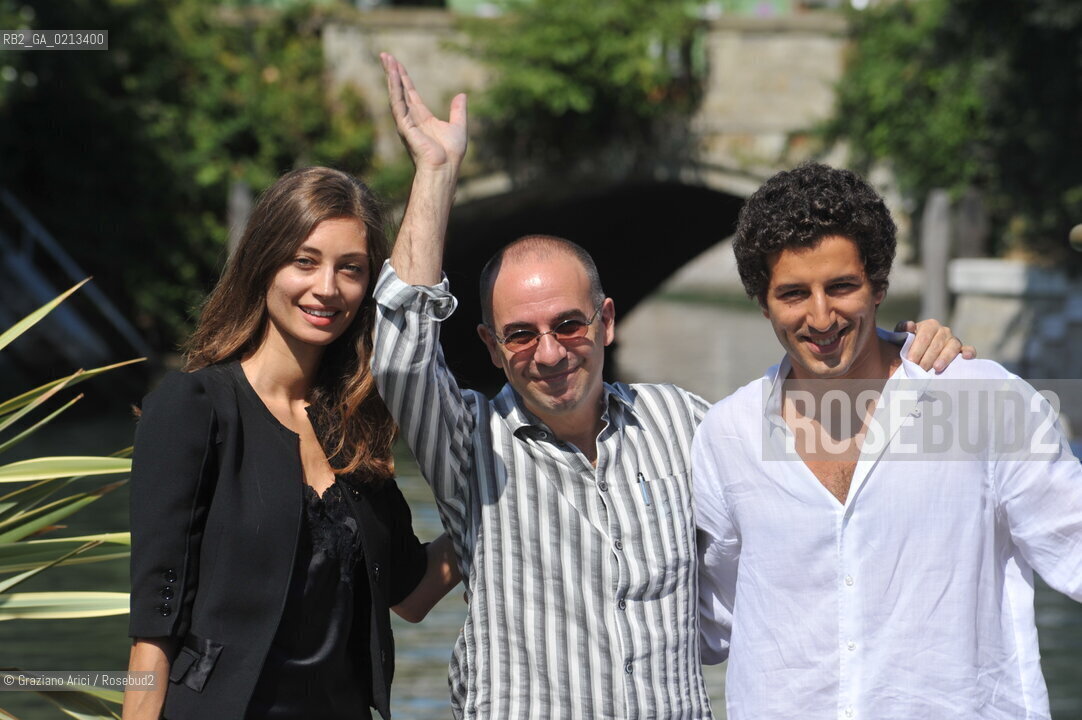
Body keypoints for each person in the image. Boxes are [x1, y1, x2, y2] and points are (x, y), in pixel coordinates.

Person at [371, 56, 971, 719]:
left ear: (605, 322)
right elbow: (401, 357)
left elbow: (826, 440)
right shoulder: (468, 448)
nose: (548, 352)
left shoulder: (686, 422)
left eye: (569, 324)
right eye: (520, 334)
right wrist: (434, 172)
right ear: (491, 347)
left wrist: (909, 356)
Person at [694, 162, 1082, 719]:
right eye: (794, 294)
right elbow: (711, 620)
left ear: (879, 285)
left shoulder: (981, 401)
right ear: (763, 302)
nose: (821, 316)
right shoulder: (726, 435)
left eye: (842, 287)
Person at [123, 166, 459, 720]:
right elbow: (154, 632)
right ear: (263, 263)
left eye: (350, 269)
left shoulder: (354, 421)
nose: (327, 288)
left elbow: (411, 592)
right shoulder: (193, 407)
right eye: (305, 261)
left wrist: (501, 507)